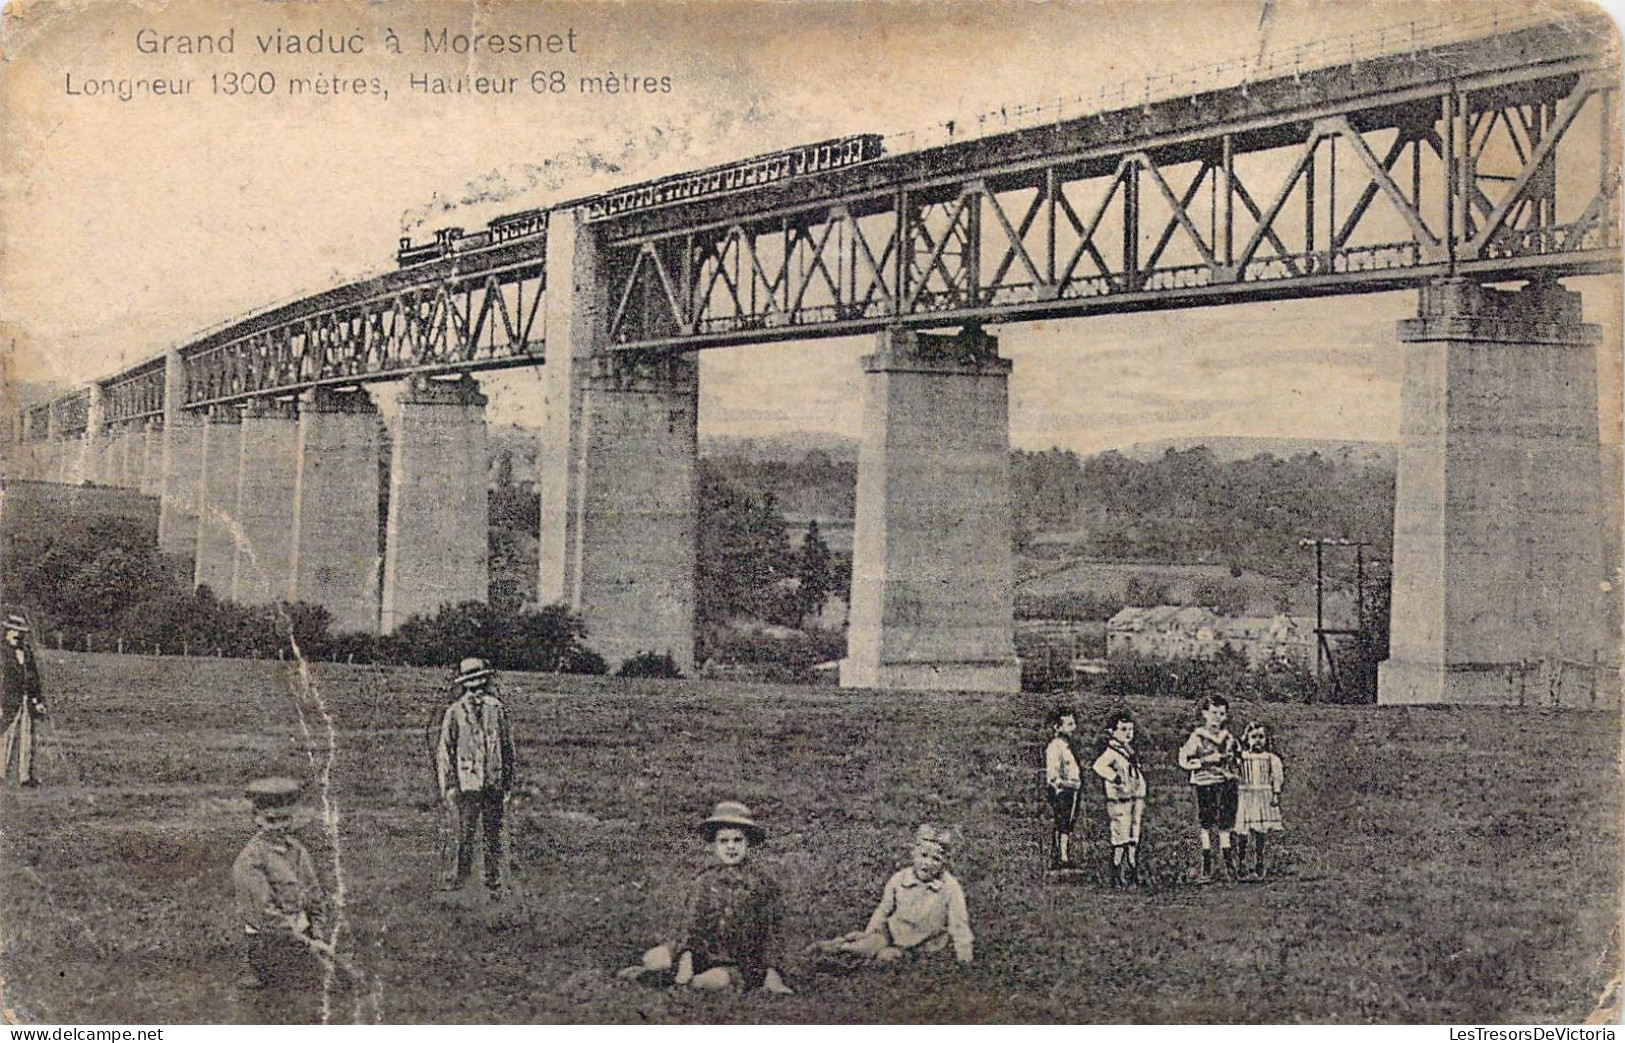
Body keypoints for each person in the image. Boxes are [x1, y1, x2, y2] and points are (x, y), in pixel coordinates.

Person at [620, 801, 793, 994]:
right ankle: (657, 975)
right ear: (714, 845)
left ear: (749, 844)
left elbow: (773, 935)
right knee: (654, 958)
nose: (731, 847)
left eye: (737, 840)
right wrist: (686, 962)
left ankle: (677, 981)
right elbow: (691, 927)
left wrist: (772, 975)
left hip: (737, 962)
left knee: (710, 981)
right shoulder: (705, 880)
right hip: (700, 954)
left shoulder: (762, 884)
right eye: (723, 841)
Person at [232, 777, 331, 1023]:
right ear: (256, 819)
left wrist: (317, 934)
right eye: (271, 821)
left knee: (330, 986)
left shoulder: (297, 850)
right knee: (298, 995)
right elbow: (265, 915)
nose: (279, 827)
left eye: (285, 820)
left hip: (303, 936)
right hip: (270, 942)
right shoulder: (250, 860)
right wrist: (306, 943)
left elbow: (314, 895)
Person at [809, 823, 974, 967]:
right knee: (867, 946)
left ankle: (847, 956)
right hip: (891, 933)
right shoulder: (900, 879)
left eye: (936, 859)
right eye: (923, 855)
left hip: (922, 946)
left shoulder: (950, 888)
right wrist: (871, 932)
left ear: (945, 862)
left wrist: (964, 957)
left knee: (886, 958)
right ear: (913, 853)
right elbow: (884, 909)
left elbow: (959, 925)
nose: (927, 863)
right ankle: (833, 950)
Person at [435, 656, 517, 898]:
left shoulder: (497, 709)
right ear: (464, 686)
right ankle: (460, 877)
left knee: (492, 833)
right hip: (466, 782)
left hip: (492, 781)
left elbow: (507, 747)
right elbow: (445, 750)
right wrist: (449, 784)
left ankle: (493, 879)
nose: (476, 691)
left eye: (480, 684)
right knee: (465, 834)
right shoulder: (454, 712)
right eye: (471, 686)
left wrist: (507, 783)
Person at [1177, 694, 1241, 882]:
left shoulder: (1228, 737)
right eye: (1213, 713)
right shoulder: (1197, 737)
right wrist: (1204, 761)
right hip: (1205, 782)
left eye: (1221, 714)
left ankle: (1229, 865)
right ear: (1205, 713)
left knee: (1226, 822)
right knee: (1207, 822)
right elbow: (1184, 760)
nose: (1217, 717)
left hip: (1226, 782)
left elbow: (1237, 758)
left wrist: (1233, 761)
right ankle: (1206, 865)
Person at [1091, 711, 1147, 888]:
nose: (1128, 733)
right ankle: (1117, 874)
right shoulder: (1111, 752)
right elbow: (1098, 766)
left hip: (1135, 797)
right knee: (1120, 837)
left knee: (1133, 836)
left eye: (1130, 729)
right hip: (1120, 800)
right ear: (1112, 731)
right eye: (1123, 729)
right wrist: (1114, 777)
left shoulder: (1128, 751)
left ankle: (1132, 871)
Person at [1233, 722, 1285, 879]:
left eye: (1261, 737)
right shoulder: (1242, 758)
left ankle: (1259, 862)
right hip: (1245, 796)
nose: (1257, 740)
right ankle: (1241, 862)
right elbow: (1232, 770)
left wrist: (1275, 794)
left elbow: (1277, 777)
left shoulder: (1271, 758)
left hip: (1262, 797)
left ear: (1266, 739)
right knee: (1243, 832)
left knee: (1260, 832)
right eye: (1253, 737)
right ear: (1247, 739)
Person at [1, 613, 46, 788]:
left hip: (26, 699)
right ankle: (0, 772)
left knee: (27, 737)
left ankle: (25, 777)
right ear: (7, 631)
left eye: (21, 632)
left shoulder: (27, 651)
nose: (18, 635)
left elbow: (34, 677)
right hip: (7, 700)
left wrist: (38, 700)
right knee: (5, 736)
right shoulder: (2, 653)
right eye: (15, 631)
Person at [1043, 709, 1082, 870]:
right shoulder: (1055, 747)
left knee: (1067, 823)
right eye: (1069, 724)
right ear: (1057, 727)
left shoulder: (1067, 746)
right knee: (1063, 823)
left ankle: (1062, 855)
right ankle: (1061, 856)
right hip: (1062, 791)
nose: (1074, 727)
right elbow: (1053, 774)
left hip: (1070, 790)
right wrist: (1066, 785)